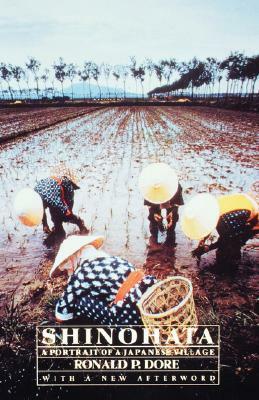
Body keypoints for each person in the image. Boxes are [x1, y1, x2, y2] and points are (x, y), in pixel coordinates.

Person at [50, 235, 157, 324]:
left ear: (72, 259)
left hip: (131, 316)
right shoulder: (111, 259)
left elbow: (61, 314)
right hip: (151, 299)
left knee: (79, 302)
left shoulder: (81, 274)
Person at [181, 192, 258, 266]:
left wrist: (208, 248)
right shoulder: (211, 208)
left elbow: (226, 239)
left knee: (233, 245)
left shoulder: (225, 221)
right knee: (228, 241)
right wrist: (203, 239)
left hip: (254, 217)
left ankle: (232, 266)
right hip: (243, 202)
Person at [34, 166, 88, 240]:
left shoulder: (49, 193)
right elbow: (44, 210)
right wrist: (45, 224)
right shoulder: (38, 196)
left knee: (64, 216)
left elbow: (59, 204)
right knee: (58, 221)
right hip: (53, 196)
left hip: (57, 194)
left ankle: (81, 226)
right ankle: (60, 231)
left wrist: (67, 211)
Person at [139, 163, 184, 246]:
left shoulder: (175, 187)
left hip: (171, 203)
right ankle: (154, 238)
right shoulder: (149, 188)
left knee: (172, 221)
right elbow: (149, 207)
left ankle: (170, 240)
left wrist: (172, 213)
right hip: (155, 203)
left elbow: (177, 204)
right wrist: (154, 214)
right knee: (153, 221)